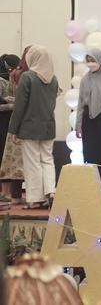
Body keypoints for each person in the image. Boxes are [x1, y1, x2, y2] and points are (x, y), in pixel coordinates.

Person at [7, 45, 59, 209]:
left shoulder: (27, 77)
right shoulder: (53, 79)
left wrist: (13, 129)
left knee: (32, 163)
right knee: (47, 160)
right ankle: (51, 192)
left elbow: (20, 106)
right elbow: (52, 104)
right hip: (49, 126)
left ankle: (35, 199)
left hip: (29, 127)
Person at [75, 49, 101, 197]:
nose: (90, 64)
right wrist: (78, 125)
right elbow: (81, 104)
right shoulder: (85, 79)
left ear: (100, 61)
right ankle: (91, 188)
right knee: (89, 153)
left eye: (93, 60)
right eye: (88, 61)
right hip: (88, 119)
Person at [0, 47, 30, 205]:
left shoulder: (20, 77)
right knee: (6, 157)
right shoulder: (4, 80)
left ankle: (11, 194)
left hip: (13, 123)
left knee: (11, 159)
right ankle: (7, 193)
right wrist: (12, 105)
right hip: (8, 123)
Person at [0, 54, 21, 205]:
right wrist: (13, 105)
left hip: (11, 122)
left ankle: (8, 193)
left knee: (8, 156)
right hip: (3, 122)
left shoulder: (17, 78)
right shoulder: (1, 81)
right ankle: (4, 192)